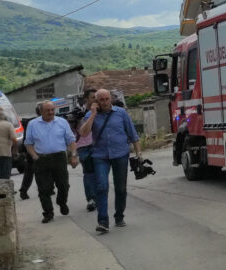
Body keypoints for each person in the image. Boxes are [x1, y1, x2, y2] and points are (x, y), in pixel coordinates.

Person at [78, 89, 142, 234]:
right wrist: (93, 114)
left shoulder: (121, 113)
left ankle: (119, 216)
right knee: (101, 186)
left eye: (107, 99)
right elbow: (83, 133)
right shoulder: (90, 115)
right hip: (100, 156)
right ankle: (103, 221)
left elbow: (132, 133)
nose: (105, 102)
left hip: (120, 154)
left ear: (111, 99)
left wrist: (139, 152)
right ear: (96, 101)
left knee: (120, 188)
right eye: (102, 100)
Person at [23, 100, 79, 223]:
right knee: (43, 189)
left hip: (59, 158)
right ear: (41, 111)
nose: (50, 112)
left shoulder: (62, 122)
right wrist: (35, 157)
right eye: (47, 110)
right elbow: (28, 143)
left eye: (52, 110)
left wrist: (74, 155)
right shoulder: (33, 124)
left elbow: (71, 140)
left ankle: (62, 202)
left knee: (64, 185)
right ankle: (48, 213)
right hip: (41, 159)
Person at [74, 89, 98, 212]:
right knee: (88, 173)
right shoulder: (79, 112)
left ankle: (98, 196)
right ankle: (91, 199)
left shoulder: (101, 110)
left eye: (96, 97)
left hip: (98, 145)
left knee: (99, 172)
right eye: (93, 97)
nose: (96, 100)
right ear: (86, 99)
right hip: (84, 146)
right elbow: (72, 131)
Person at [17, 106, 41, 200]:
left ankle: (23, 191)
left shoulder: (30, 122)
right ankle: (44, 190)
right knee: (39, 171)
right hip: (36, 149)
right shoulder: (35, 123)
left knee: (29, 172)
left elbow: (25, 138)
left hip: (31, 149)